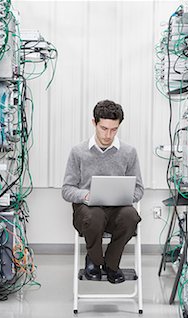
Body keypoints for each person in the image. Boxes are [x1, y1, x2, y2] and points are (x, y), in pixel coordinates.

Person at [62, 100, 144, 284]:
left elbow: (139, 189)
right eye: (104, 128)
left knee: (131, 216)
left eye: (114, 129)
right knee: (95, 215)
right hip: (87, 213)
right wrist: (86, 195)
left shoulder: (129, 152)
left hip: (117, 211)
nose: (108, 135)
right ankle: (95, 260)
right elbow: (67, 190)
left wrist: (122, 196)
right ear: (94, 123)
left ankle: (111, 264)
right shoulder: (78, 152)